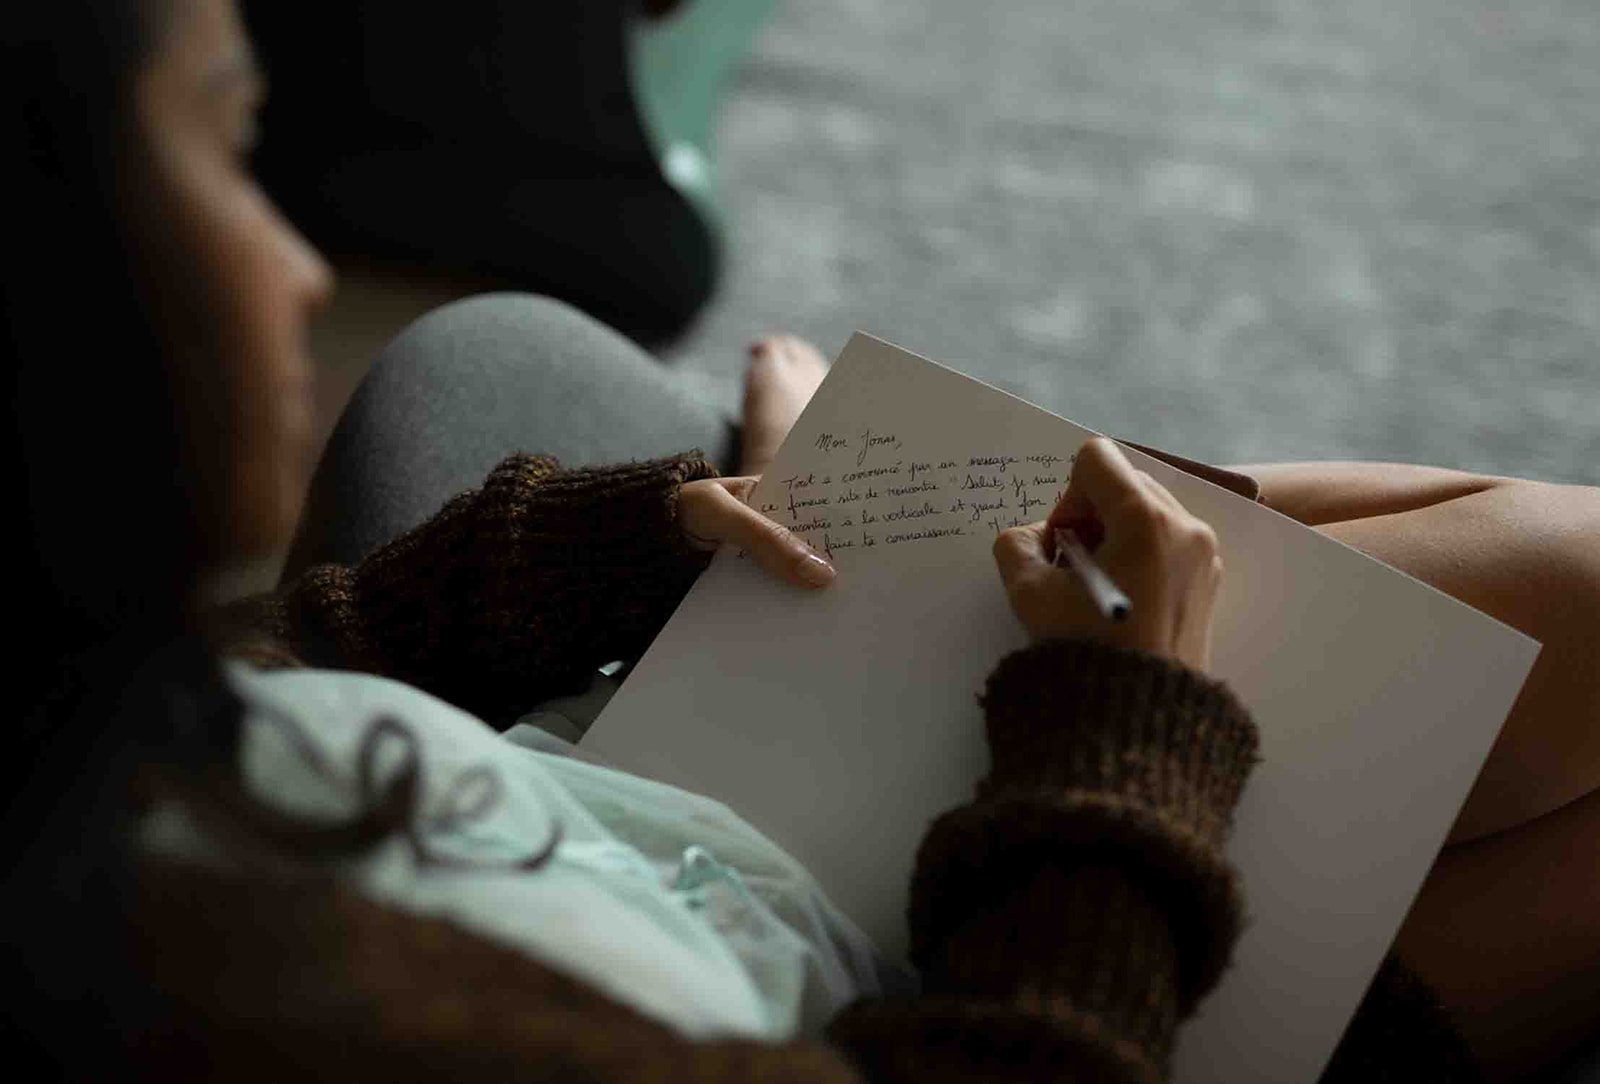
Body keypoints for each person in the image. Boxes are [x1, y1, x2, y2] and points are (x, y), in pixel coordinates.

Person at [2, 3, 1595, 1082]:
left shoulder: (74, 744)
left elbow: (299, 658)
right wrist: (1120, 744)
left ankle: (1028, 501)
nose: (295, 268)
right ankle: (1088, 524)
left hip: (674, 775)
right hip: (1013, 966)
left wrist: (633, 546)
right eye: (220, 151)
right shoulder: (270, 1014)